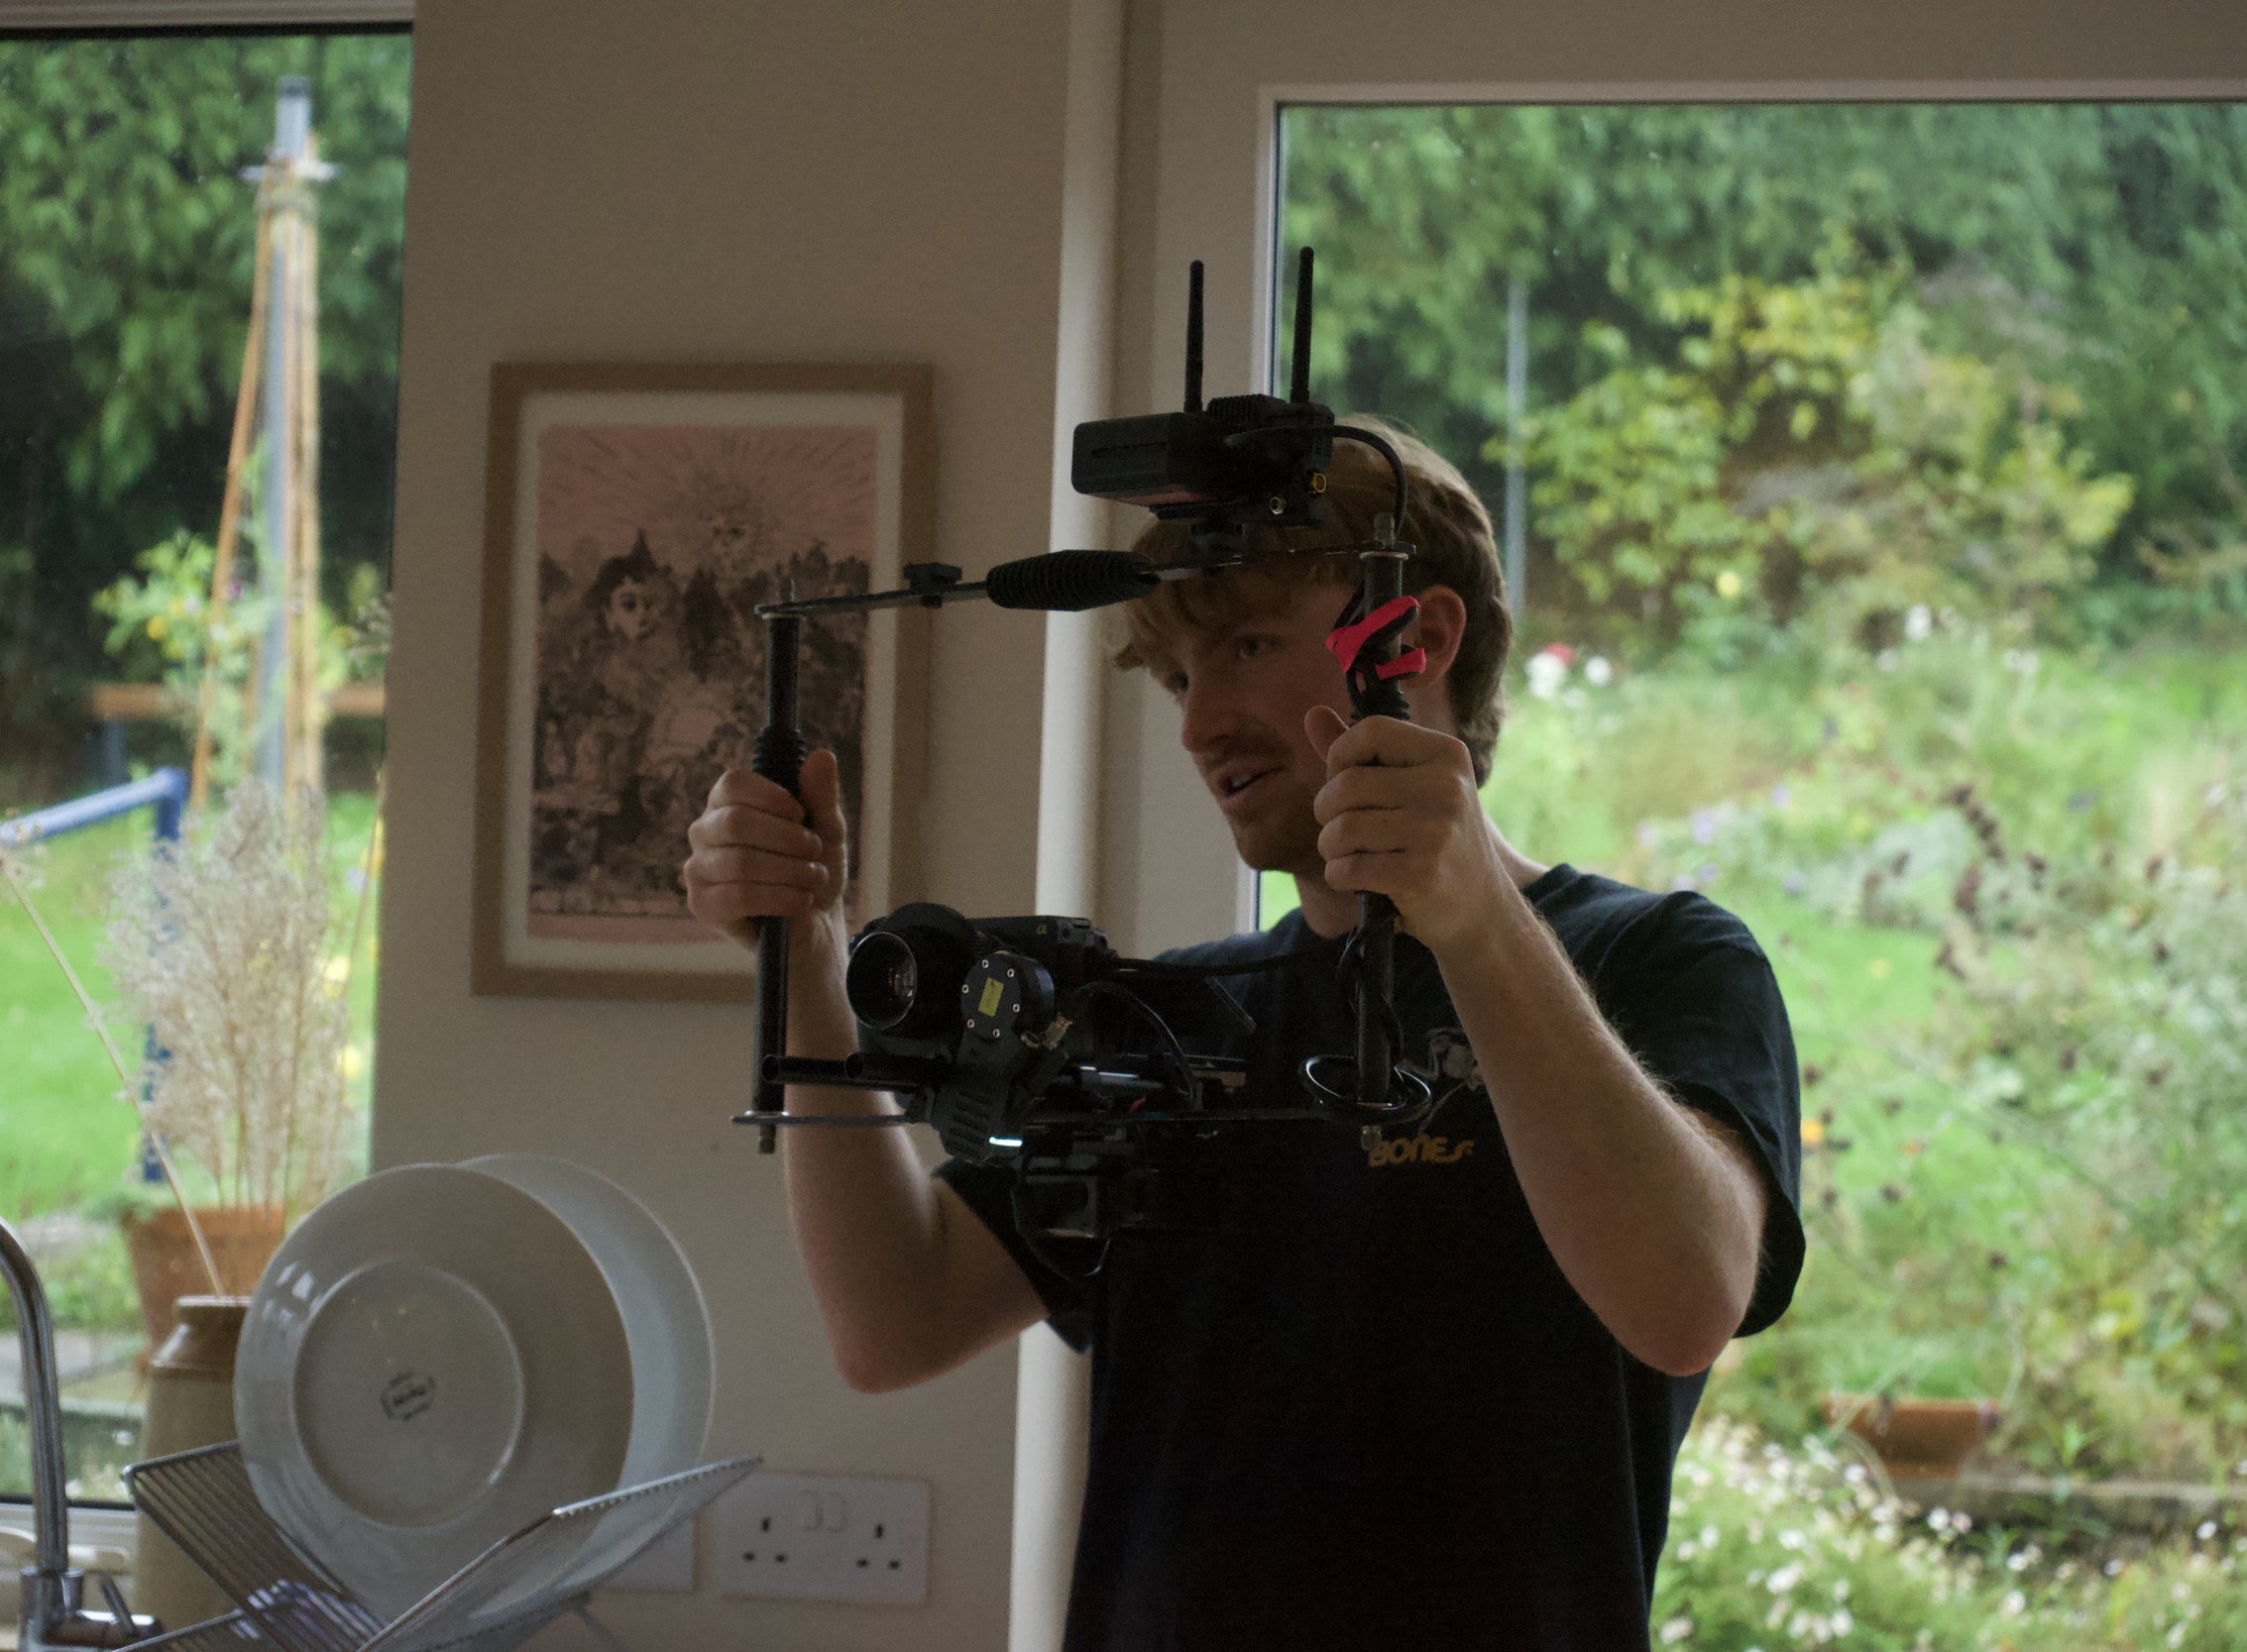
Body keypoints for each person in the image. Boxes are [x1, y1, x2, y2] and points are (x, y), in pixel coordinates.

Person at [681, 419, 1805, 1651]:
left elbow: (1686, 1301)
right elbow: (897, 1315)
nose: (1198, 722)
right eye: (1176, 677)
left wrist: (1474, 916)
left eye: (1248, 645)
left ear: (1417, 639)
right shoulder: (1172, 1017)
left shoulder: (1656, 960)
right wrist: (808, 954)